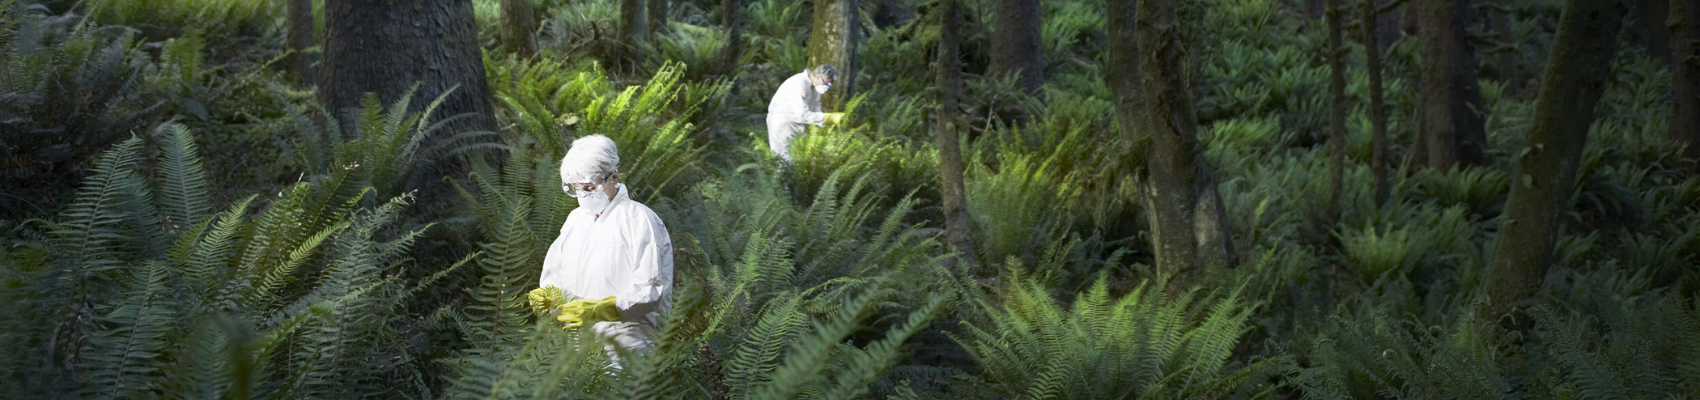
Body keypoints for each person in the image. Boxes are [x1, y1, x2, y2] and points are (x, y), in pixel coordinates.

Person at [539, 134, 674, 364]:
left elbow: (650, 290)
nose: (583, 196)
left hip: (629, 348)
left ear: (613, 178)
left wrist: (599, 309)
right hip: (580, 347)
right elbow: (555, 271)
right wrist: (548, 296)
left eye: (590, 187)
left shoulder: (639, 219)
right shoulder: (575, 221)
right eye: (575, 188)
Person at [766, 64, 846, 161]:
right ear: (818, 77)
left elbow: (816, 109)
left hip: (798, 125)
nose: (827, 87)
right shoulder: (798, 83)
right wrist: (829, 118)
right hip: (782, 124)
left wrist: (824, 128)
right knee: (784, 160)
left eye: (830, 84)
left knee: (800, 160)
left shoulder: (815, 87)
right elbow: (803, 115)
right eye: (826, 83)